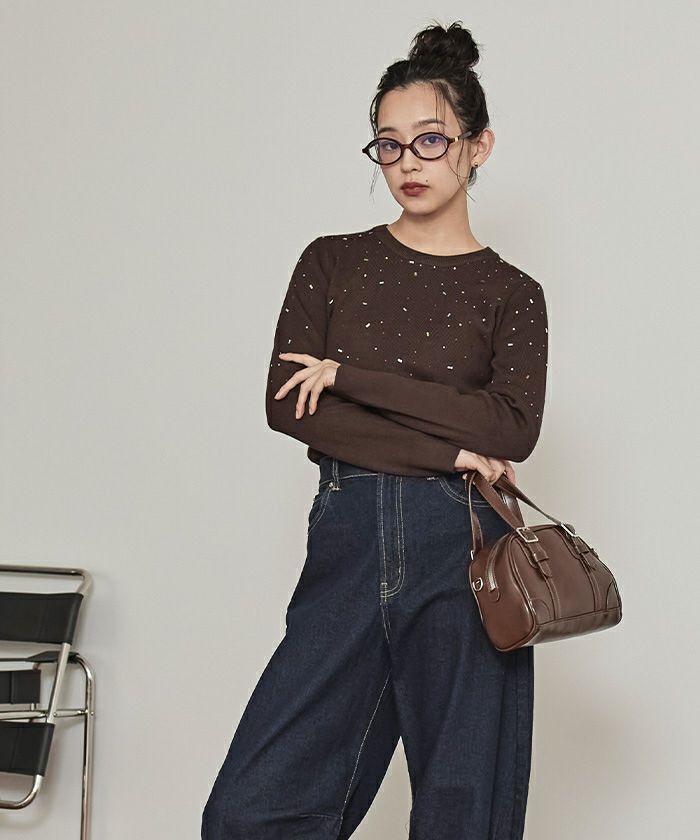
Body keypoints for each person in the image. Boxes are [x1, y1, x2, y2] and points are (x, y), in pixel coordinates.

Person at [202, 19, 548, 840]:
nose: (407, 163)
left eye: (430, 140)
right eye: (388, 146)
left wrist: (351, 380)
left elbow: (510, 427)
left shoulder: (513, 294)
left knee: (464, 808)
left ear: (477, 146)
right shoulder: (331, 261)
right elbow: (290, 404)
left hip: (465, 545)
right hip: (350, 533)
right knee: (251, 812)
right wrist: (449, 448)